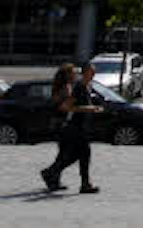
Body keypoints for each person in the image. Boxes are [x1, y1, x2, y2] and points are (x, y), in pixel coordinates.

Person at [40, 61, 101, 194]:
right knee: (80, 154)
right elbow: (65, 107)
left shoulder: (85, 86)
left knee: (75, 155)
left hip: (78, 127)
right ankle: (54, 174)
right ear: (85, 72)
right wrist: (89, 109)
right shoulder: (78, 87)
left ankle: (52, 174)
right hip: (74, 127)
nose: (94, 74)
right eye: (92, 71)